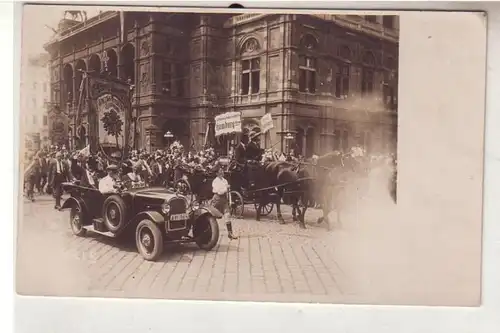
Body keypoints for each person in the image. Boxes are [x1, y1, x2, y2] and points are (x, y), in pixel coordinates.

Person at [211, 165, 237, 240]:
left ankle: (230, 233)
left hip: (224, 200)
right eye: (220, 171)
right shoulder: (215, 181)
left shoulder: (225, 180)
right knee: (212, 216)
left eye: (222, 170)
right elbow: (219, 192)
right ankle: (210, 231)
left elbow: (228, 192)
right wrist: (226, 188)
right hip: (217, 200)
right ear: (217, 173)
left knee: (228, 215)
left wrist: (230, 201)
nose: (222, 172)